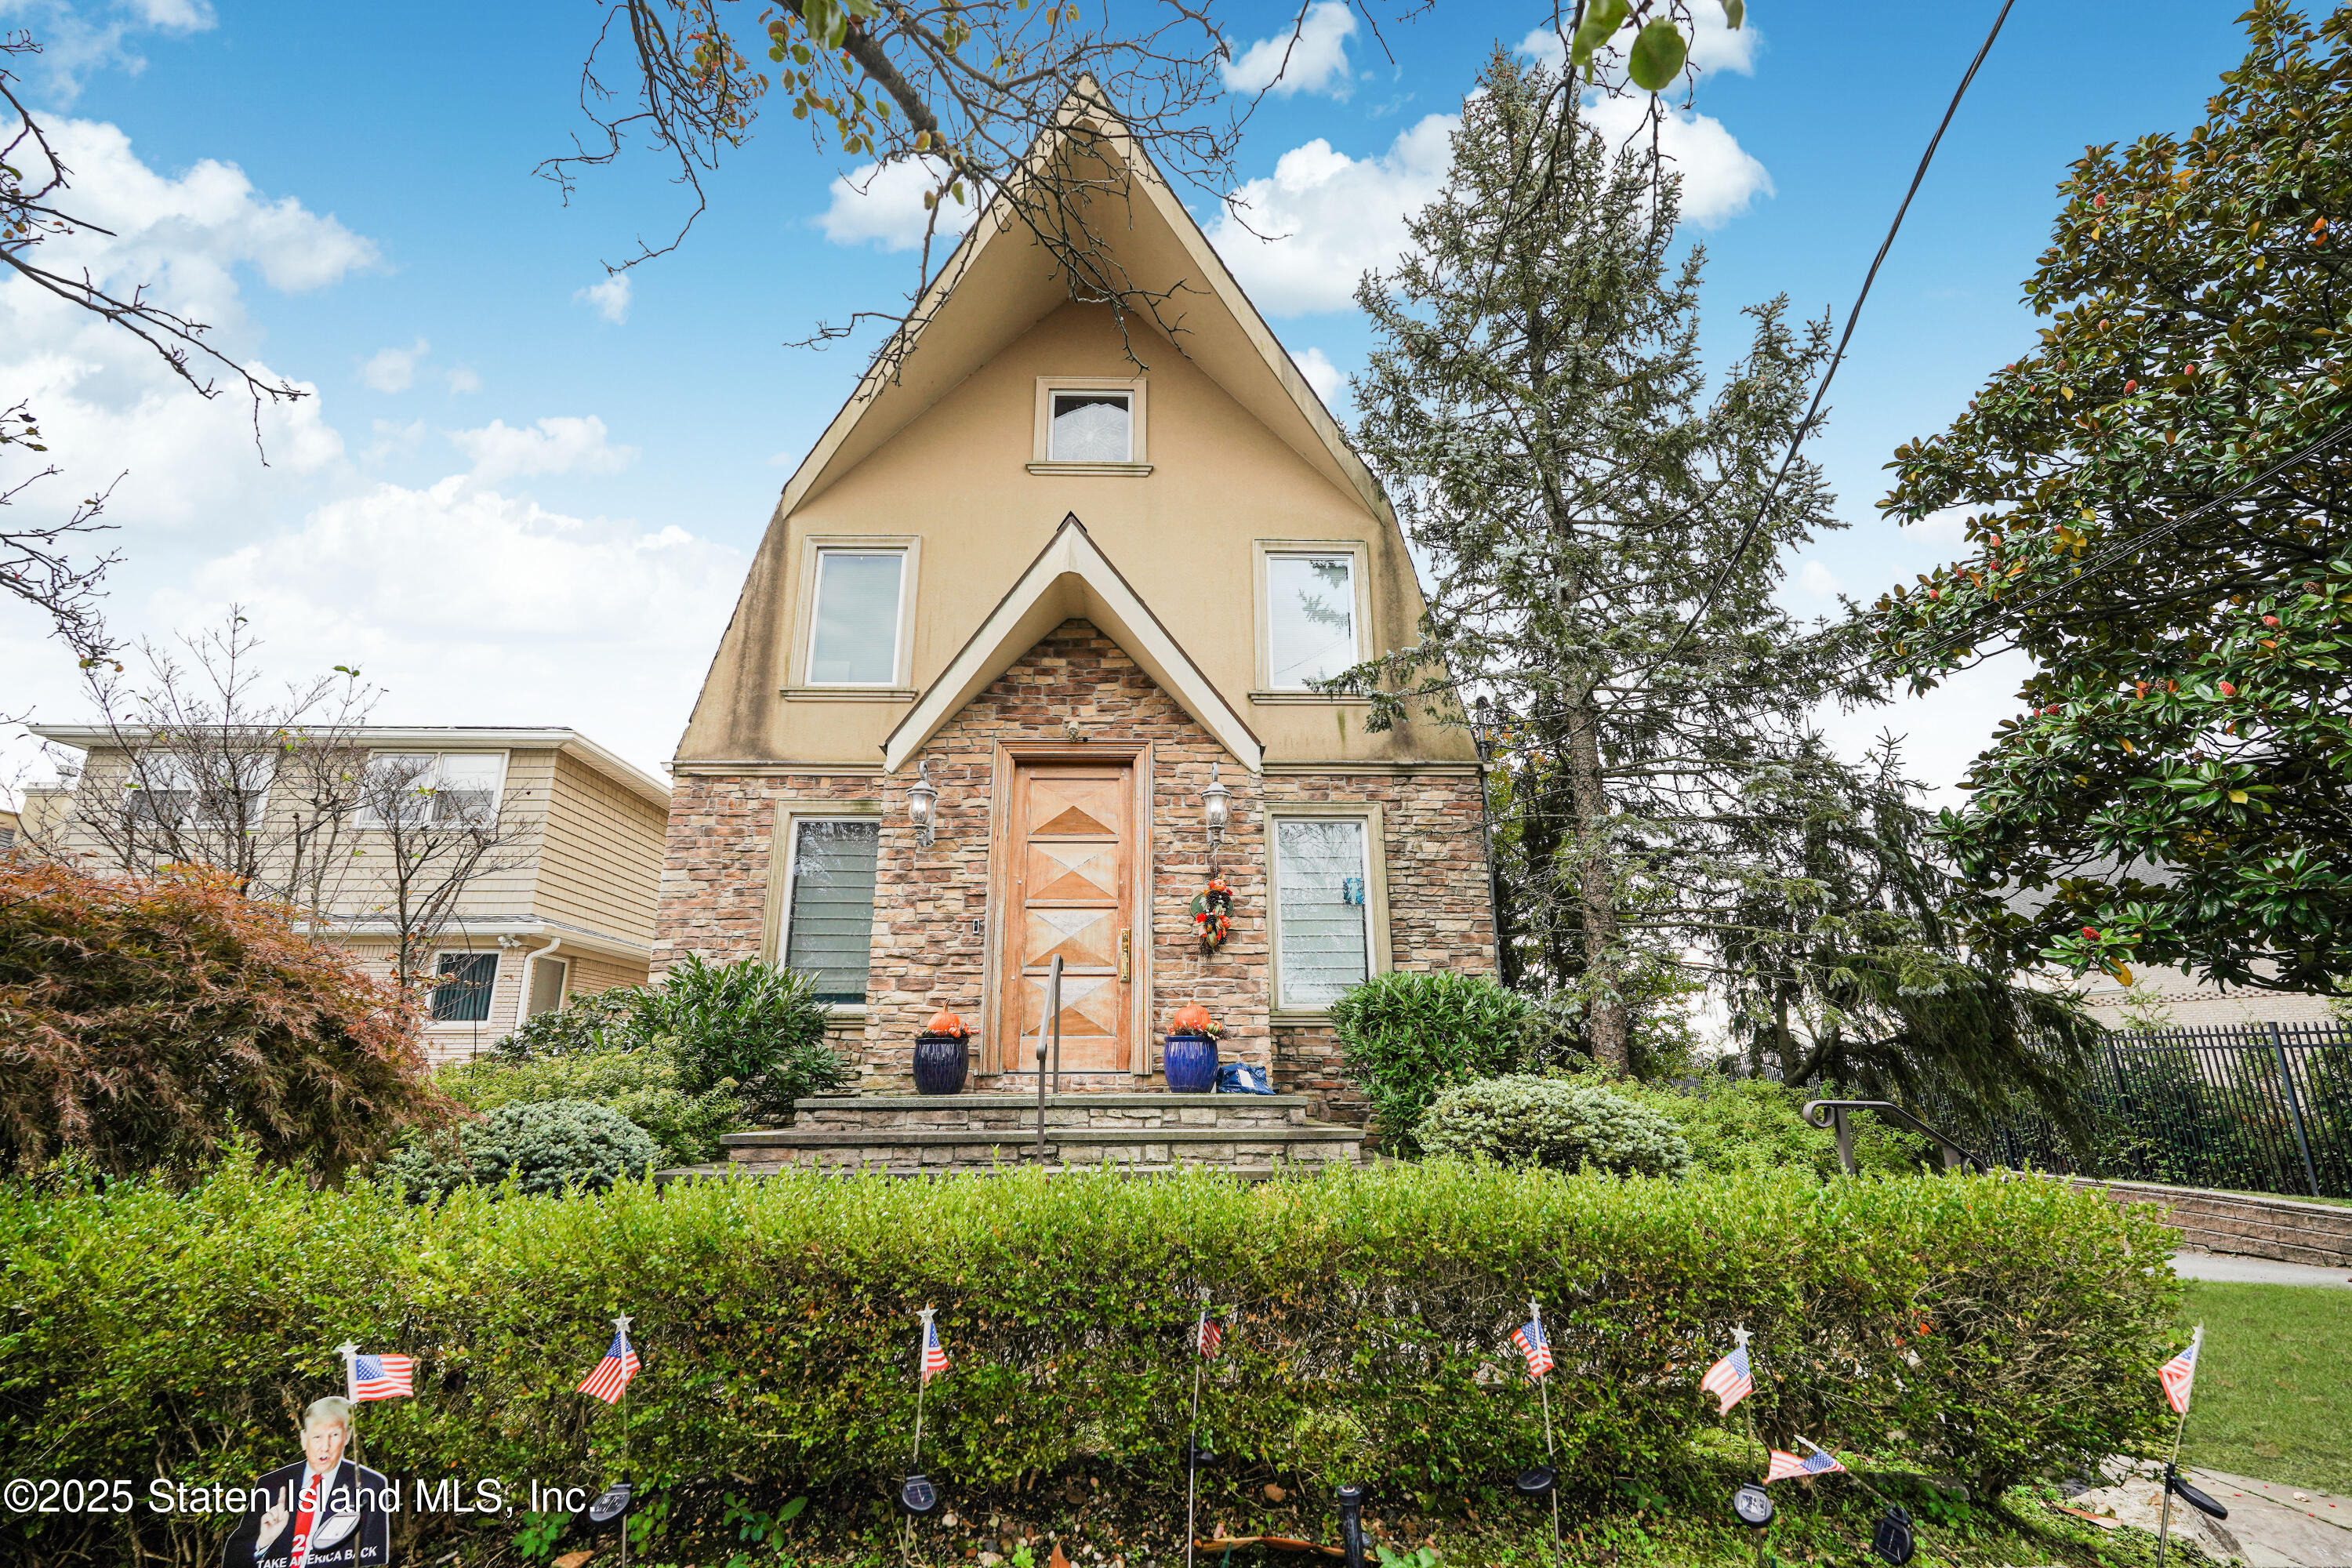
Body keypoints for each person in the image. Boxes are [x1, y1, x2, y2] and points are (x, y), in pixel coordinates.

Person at [222, 1397, 393, 1568]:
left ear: (346, 1437)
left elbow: (374, 1560)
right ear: (304, 1439)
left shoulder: (371, 1486)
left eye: (334, 1435)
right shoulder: (270, 1485)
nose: (325, 1447)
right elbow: (233, 1559)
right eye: (317, 1437)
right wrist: (263, 1542)